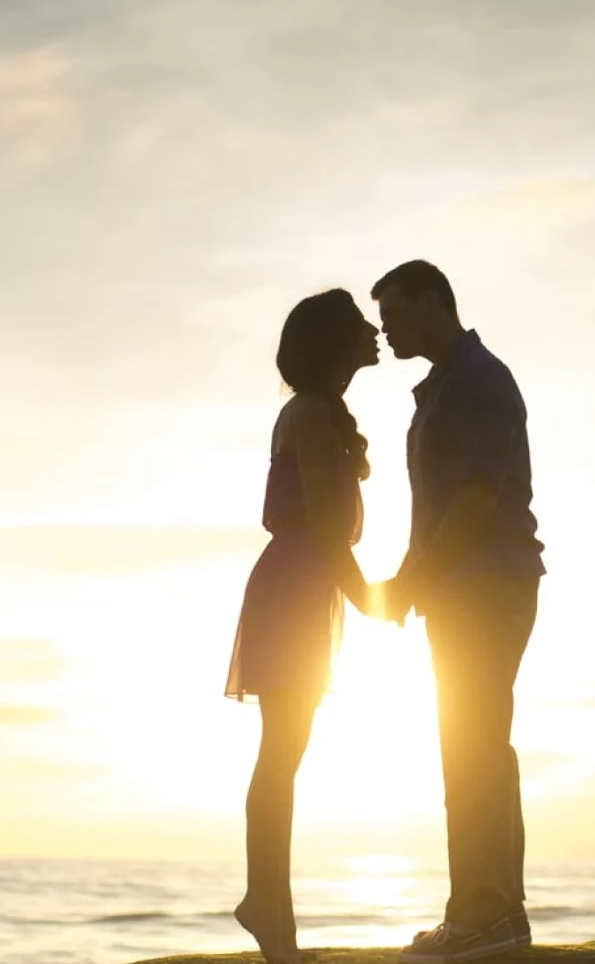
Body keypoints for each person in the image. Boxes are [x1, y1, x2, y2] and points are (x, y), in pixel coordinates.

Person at [367, 260, 546, 964]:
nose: (387, 331)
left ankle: (481, 918)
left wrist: (411, 581)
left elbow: (474, 501)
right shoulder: (444, 385)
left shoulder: (477, 379)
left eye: (396, 316)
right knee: (480, 746)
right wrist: (414, 579)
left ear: (432, 301)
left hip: (484, 583)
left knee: (473, 747)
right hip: (464, 585)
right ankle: (498, 915)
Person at [226, 288, 382, 964]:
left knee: (285, 753)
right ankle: (267, 909)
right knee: (282, 754)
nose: (374, 332)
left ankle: (276, 920)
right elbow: (323, 522)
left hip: (303, 584)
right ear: (333, 342)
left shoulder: (319, 411)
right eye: (360, 326)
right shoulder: (312, 412)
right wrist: (373, 599)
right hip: (295, 585)